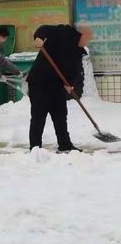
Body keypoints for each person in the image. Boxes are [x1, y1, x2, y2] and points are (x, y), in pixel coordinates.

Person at [27, 24, 93, 152]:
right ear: (81, 35)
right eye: (88, 38)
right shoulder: (63, 32)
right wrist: (39, 37)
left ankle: (65, 144)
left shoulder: (78, 51)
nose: (88, 42)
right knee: (39, 115)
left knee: (61, 115)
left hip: (57, 85)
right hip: (40, 82)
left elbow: (75, 71)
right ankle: (35, 148)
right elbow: (44, 29)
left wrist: (70, 83)